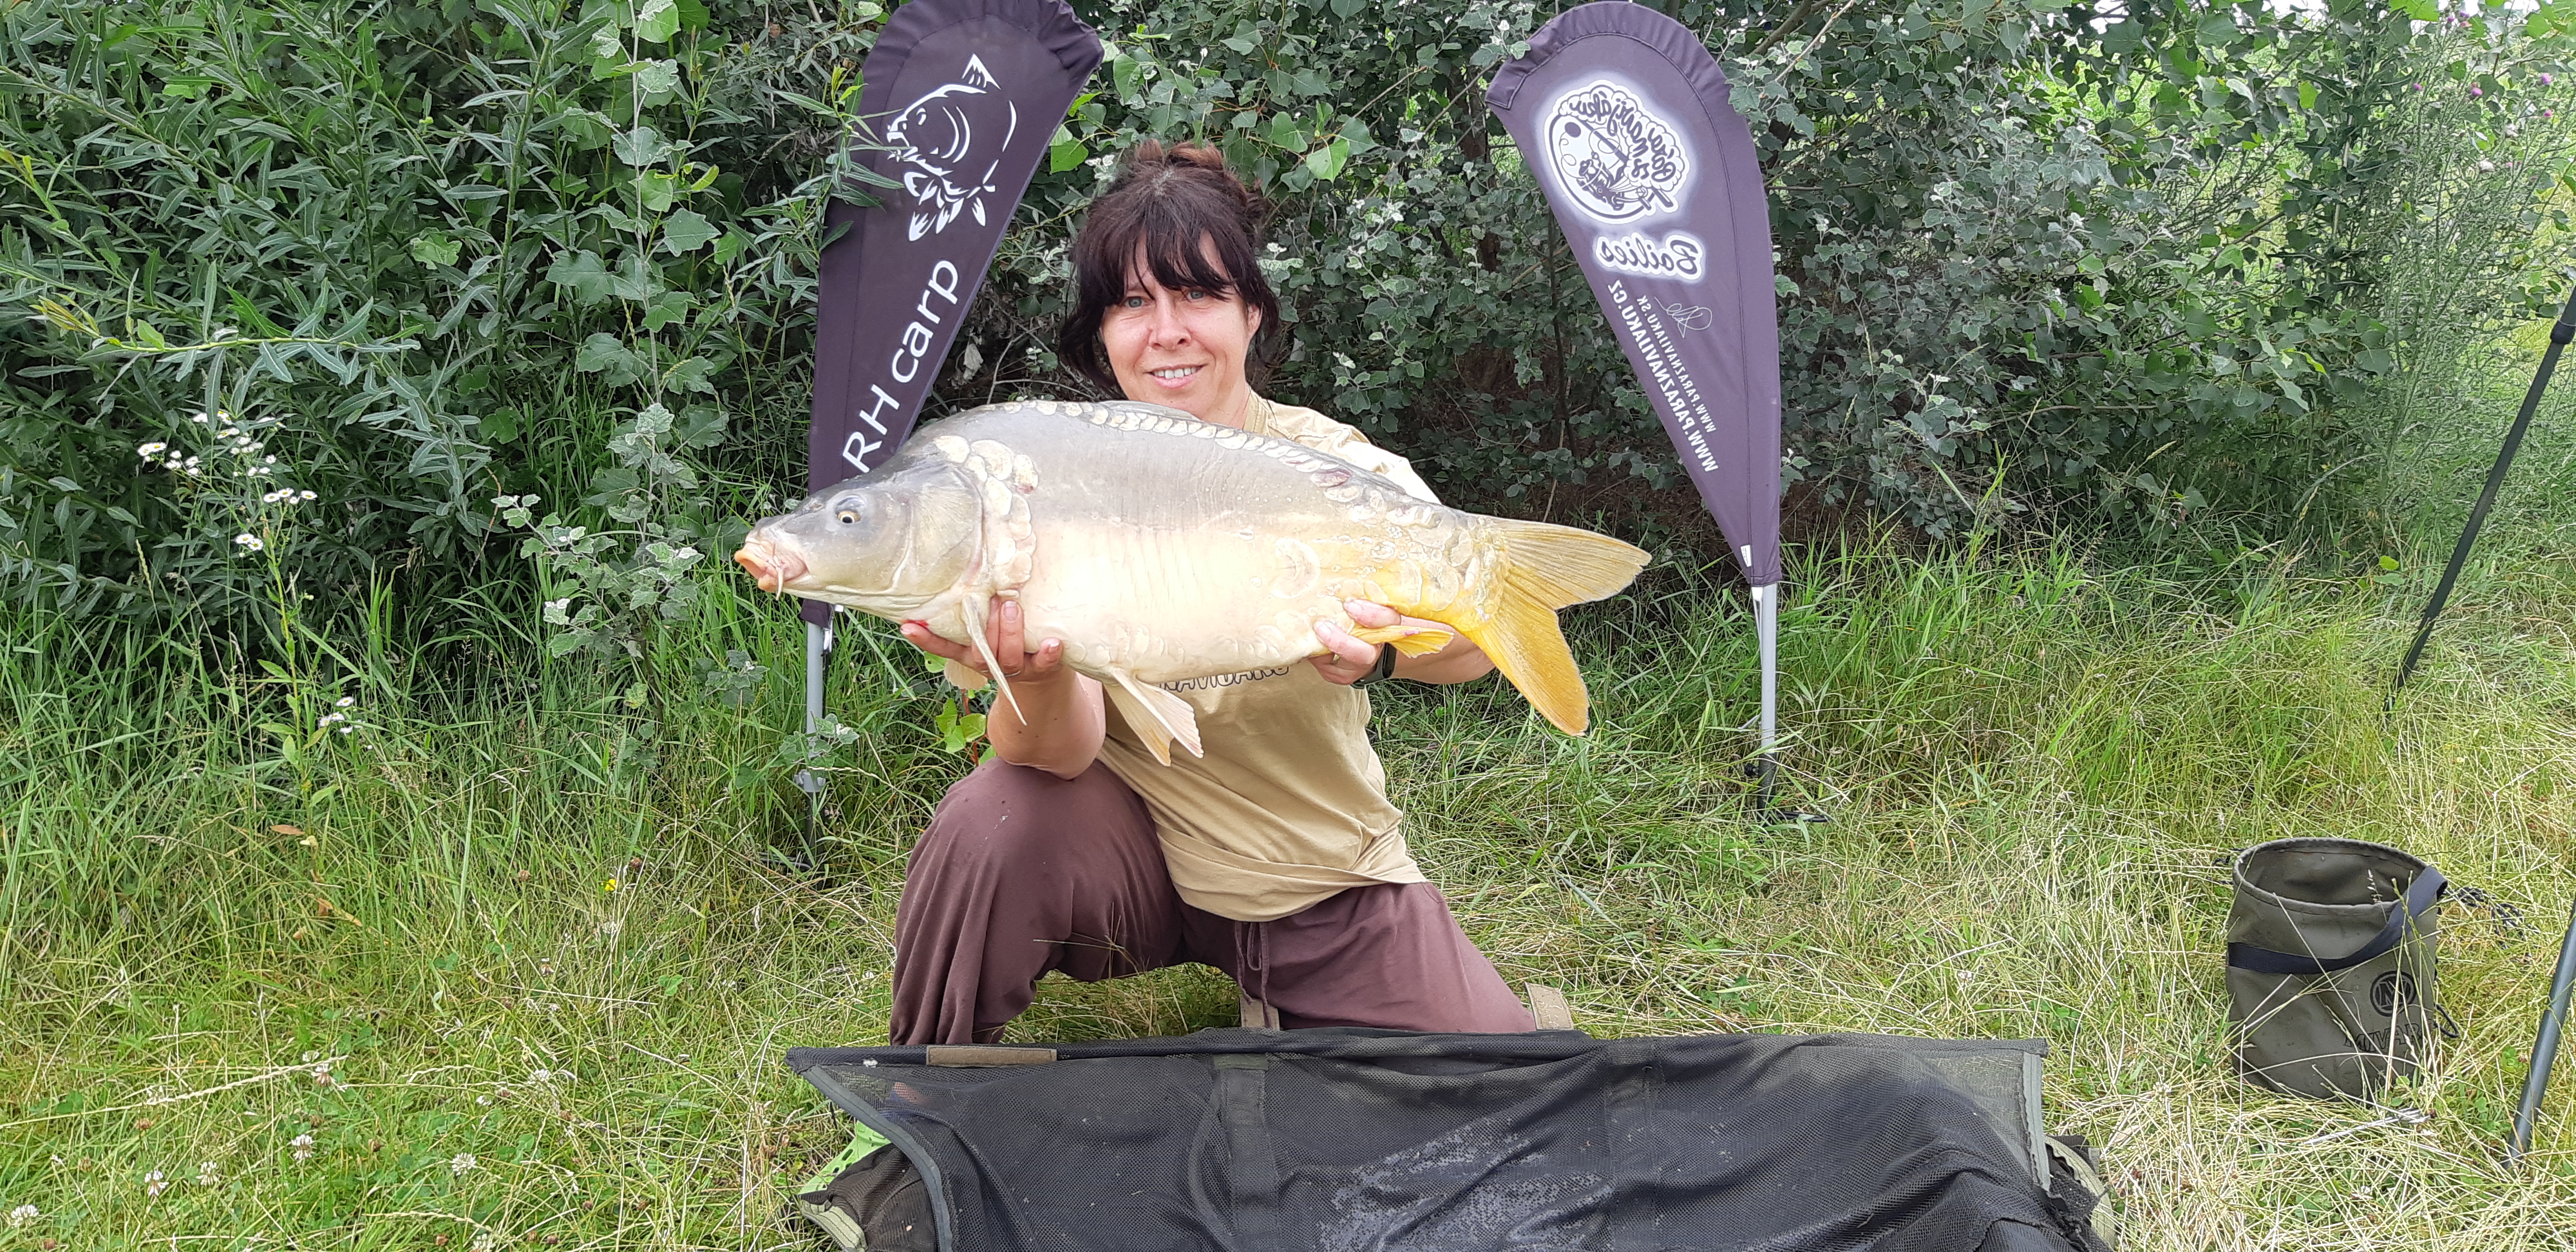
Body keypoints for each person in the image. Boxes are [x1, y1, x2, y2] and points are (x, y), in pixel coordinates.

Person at [887, 141, 1536, 1045]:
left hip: (1307, 871)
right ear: (1102, 330)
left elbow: (1468, 650)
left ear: (1251, 314)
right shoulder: (1033, 483)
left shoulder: (1339, 472)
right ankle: (925, 1078)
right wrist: (1034, 679)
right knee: (992, 814)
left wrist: (1385, 655)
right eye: (1132, 303)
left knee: (1499, 1068)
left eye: (1198, 294)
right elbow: (1053, 756)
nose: (1167, 331)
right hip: (1125, 862)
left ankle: (1296, 984)